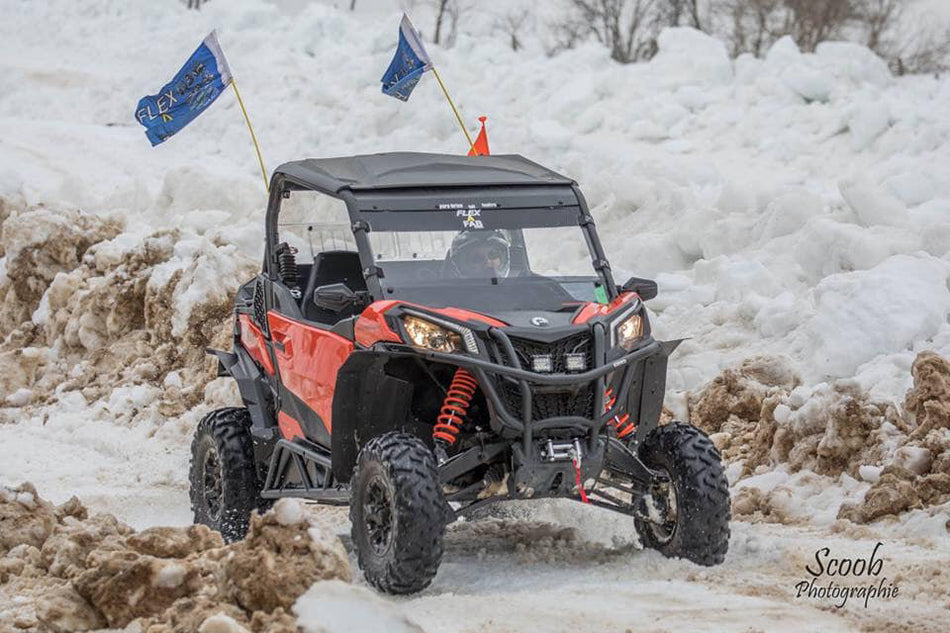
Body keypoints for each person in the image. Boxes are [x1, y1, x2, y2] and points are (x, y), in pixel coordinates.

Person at [446, 230, 511, 278]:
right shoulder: (450, 295)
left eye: (493, 255)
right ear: (462, 265)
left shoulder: (515, 291)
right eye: (477, 259)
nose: (488, 262)